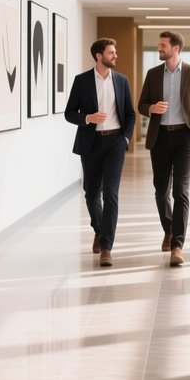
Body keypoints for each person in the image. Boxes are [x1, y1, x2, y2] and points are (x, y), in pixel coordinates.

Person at [138, 31, 190, 267]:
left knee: (181, 190)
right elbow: (141, 104)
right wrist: (151, 109)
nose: (159, 48)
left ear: (175, 48)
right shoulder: (153, 74)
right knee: (161, 190)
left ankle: (177, 245)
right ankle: (168, 228)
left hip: (184, 137)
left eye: (162, 45)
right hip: (159, 138)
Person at [64, 38, 136, 267]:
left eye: (115, 52)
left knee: (111, 193)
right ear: (98, 56)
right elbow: (69, 113)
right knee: (91, 193)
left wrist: (125, 138)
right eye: (111, 52)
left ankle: (107, 247)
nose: (115, 55)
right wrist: (87, 118)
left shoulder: (122, 81)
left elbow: (130, 114)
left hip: (115, 142)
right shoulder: (82, 80)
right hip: (91, 142)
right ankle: (99, 229)